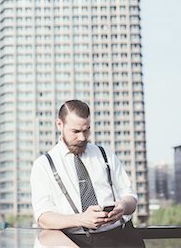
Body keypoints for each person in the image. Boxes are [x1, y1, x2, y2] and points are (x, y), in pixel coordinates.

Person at [30, 99, 145, 247]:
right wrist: (81, 219)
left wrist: (122, 207)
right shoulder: (43, 165)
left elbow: (131, 198)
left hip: (123, 237)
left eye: (87, 130)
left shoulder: (105, 154)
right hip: (77, 241)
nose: (82, 137)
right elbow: (43, 217)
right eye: (76, 131)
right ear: (59, 124)